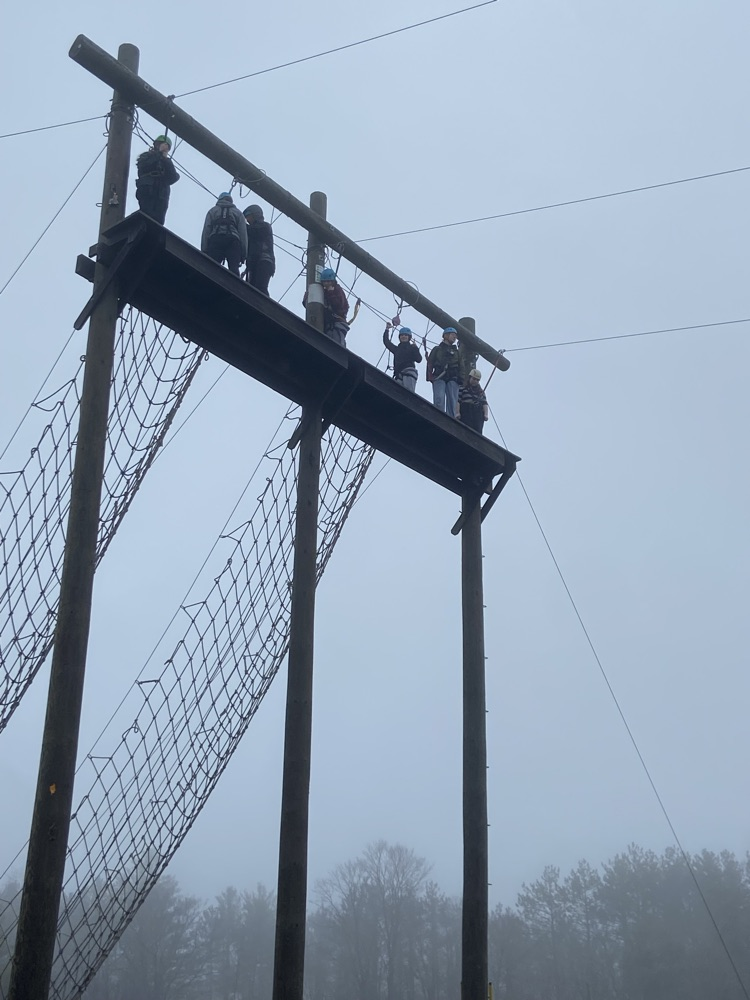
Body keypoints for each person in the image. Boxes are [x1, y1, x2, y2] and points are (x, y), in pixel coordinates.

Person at [135, 135, 180, 225]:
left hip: (161, 193)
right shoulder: (146, 156)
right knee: (146, 214)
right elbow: (143, 167)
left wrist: (165, 159)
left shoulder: (166, 161)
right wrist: (159, 154)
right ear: (156, 145)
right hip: (148, 189)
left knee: (158, 219)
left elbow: (173, 177)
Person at [201, 192, 248, 277]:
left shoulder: (213, 211)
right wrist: (243, 254)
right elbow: (243, 234)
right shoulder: (238, 213)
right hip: (233, 241)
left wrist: (204, 249)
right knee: (234, 269)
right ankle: (235, 287)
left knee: (212, 268)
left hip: (216, 240)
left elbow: (206, 230)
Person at [303, 267, 349, 346]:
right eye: (325, 282)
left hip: (337, 324)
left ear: (333, 281)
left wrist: (331, 293)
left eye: (329, 281)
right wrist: (308, 297)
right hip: (326, 325)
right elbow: (310, 307)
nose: (327, 284)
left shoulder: (337, 290)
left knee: (335, 347)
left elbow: (338, 305)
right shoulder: (323, 291)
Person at [242, 204, 276, 295]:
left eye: (248, 216)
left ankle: (265, 307)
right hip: (253, 263)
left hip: (264, 261)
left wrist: (240, 223)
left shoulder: (265, 226)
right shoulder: (250, 230)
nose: (247, 220)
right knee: (251, 290)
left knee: (261, 288)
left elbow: (254, 232)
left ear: (255, 215)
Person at [428, 327, 461, 416]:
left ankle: (450, 419)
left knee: (452, 401)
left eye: (455, 336)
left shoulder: (457, 352)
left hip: (453, 377)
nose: (454, 337)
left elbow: (461, 366)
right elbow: (430, 362)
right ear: (446, 336)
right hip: (439, 375)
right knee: (439, 398)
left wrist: (461, 379)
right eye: (453, 335)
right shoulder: (437, 349)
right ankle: (438, 416)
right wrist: (429, 376)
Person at [383, 324, 422, 392]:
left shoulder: (411, 348)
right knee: (397, 394)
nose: (403, 336)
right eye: (402, 335)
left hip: (409, 371)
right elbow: (387, 343)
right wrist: (387, 330)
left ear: (409, 337)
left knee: (408, 393)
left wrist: (415, 348)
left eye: (405, 335)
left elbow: (419, 359)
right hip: (399, 374)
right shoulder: (397, 349)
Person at [456, 368, 489, 433]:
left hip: (477, 413)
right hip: (466, 411)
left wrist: (486, 414)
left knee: (477, 431)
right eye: (474, 379)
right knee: (465, 429)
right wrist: (457, 413)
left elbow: (484, 403)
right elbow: (458, 401)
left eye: (477, 380)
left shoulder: (480, 392)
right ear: (470, 378)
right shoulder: (462, 388)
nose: (475, 381)